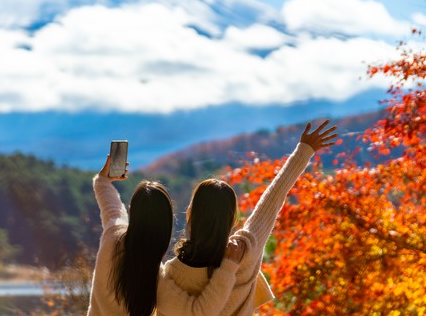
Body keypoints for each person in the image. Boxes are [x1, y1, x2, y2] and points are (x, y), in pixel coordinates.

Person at [156, 120, 338, 316]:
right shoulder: (245, 250)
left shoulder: (173, 274)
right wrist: (304, 150)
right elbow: (274, 198)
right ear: (232, 219)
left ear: (191, 214)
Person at [88, 150, 248, 316]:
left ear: (131, 212)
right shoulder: (157, 281)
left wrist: (103, 180)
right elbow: (200, 311)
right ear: (167, 225)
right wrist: (228, 267)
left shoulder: (113, 234)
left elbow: (111, 207)